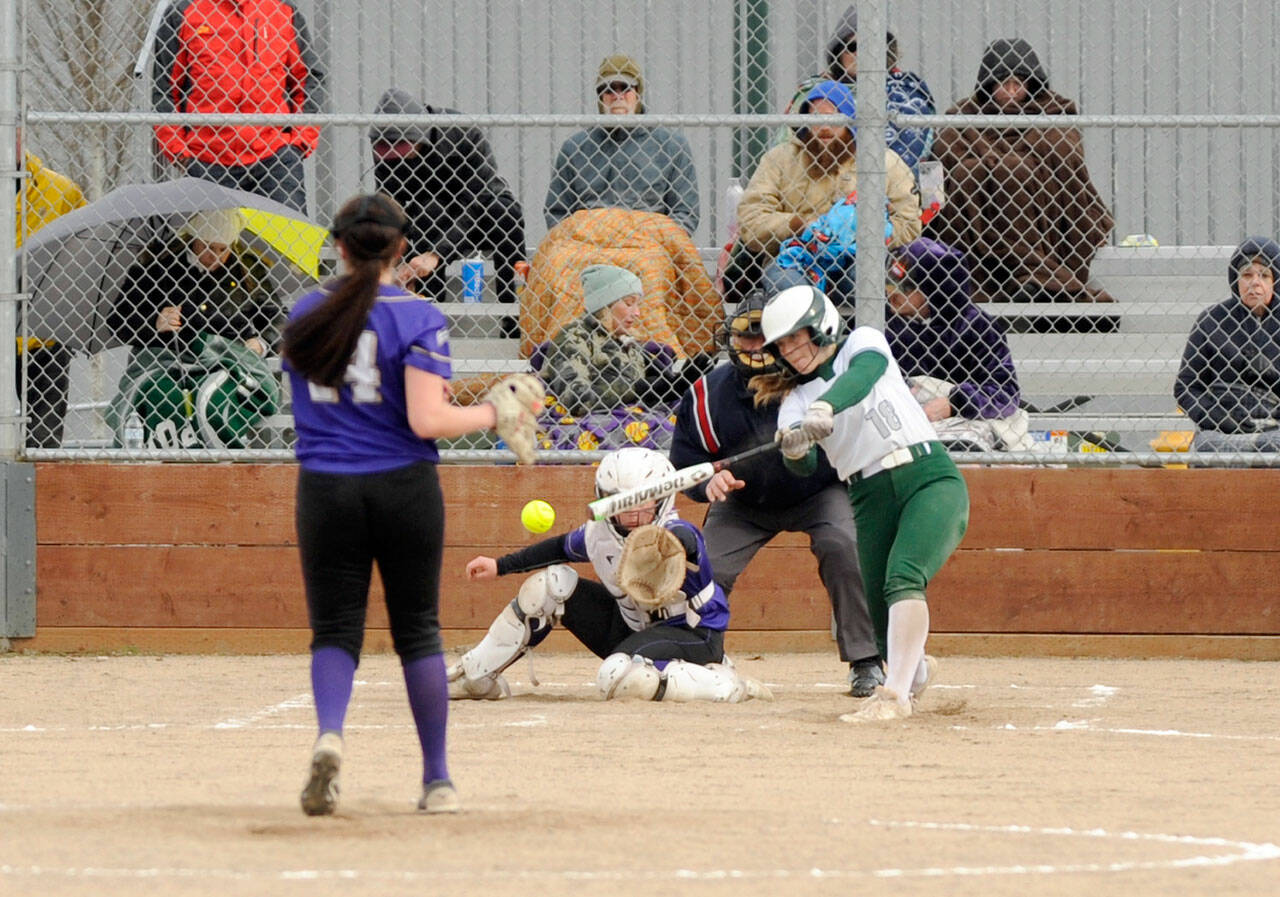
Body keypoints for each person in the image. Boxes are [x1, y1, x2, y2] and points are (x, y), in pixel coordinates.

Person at [280, 193, 544, 816]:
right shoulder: (417, 313)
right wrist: (495, 411)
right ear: (402, 249)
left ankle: (329, 738)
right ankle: (437, 780)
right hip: (402, 486)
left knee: (336, 630)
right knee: (418, 631)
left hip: (325, 485)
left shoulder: (305, 311)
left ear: (338, 247)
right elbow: (427, 419)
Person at [757, 283, 969, 722]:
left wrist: (826, 407)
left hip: (926, 476)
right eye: (782, 344)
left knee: (903, 577)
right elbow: (804, 465)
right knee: (876, 614)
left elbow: (866, 373)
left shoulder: (861, 341)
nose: (791, 350)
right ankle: (916, 669)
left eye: (797, 336)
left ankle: (895, 698)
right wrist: (796, 449)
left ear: (822, 326)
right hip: (868, 496)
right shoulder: (795, 401)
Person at [669, 291, 885, 697]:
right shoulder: (706, 394)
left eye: (761, 337)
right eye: (742, 337)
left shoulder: (814, 383)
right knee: (705, 567)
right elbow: (684, 459)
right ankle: (695, 656)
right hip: (743, 502)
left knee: (843, 545)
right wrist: (705, 484)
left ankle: (866, 660)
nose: (751, 346)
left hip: (820, 491)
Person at [447, 446, 771, 704]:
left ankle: (725, 684)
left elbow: (686, 544)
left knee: (617, 676)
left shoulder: (677, 534)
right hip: (631, 629)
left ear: (662, 500)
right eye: (623, 503)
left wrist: (669, 545)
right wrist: (499, 565)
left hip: (693, 635)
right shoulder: (597, 534)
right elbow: (557, 547)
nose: (633, 515)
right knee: (551, 584)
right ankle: (475, 676)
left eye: (644, 503)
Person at [929, 38, 1114, 304]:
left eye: (1019, 83)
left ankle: (1034, 275)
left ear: (1032, 84)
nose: (1012, 91)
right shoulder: (966, 114)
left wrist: (1005, 165)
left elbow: (1064, 152)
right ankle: (1022, 275)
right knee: (968, 174)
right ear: (989, 85)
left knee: (1013, 171)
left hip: (1038, 209)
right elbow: (945, 150)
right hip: (981, 210)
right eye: (1004, 84)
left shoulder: (1054, 111)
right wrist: (988, 164)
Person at [730, 79, 921, 307]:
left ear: (850, 121)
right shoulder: (779, 160)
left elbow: (910, 225)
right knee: (786, 285)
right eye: (816, 119)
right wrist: (799, 225)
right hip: (795, 258)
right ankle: (807, 338)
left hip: (860, 258)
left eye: (833, 118)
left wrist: (859, 231)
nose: (824, 128)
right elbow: (751, 221)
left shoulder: (884, 162)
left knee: (868, 280)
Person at [152, 0, 325, 213]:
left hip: (275, 157)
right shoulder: (184, 12)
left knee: (288, 242)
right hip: (207, 158)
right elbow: (164, 89)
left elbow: (309, 79)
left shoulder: (283, 10)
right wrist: (179, 152)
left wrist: (299, 143)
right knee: (212, 242)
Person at [369, 87, 527, 312]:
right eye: (390, 152)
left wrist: (436, 254)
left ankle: (514, 315)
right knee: (428, 212)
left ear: (420, 134)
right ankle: (430, 314)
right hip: (430, 219)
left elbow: (476, 201)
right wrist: (393, 263)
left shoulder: (460, 130)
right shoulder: (385, 145)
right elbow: (389, 206)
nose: (398, 158)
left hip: (480, 211)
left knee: (506, 213)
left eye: (403, 149)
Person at [885, 238, 1032, 452]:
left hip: (955, 428)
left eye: (905, 286)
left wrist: (955, 403)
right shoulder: (880, 321)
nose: (892, 292)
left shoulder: (977, 326)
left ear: (934, 289)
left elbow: (1005, 391)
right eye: (889, 281)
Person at [544, 54, 700, 237]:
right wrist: (579, 238)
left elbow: (685, 213)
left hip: (649, 244)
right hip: (589, 244)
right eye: (609, 89)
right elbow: (557, 212)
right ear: (600, 98)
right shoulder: (575, 148)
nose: (617, 97)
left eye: (625, 88)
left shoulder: (671, 145)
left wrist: (657, 238)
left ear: (638, 94)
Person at [107, 209, 284, 358]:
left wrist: (262, 343)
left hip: (234, 357)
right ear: (194, 240)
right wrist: (154, 322)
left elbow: (277, 316)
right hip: (173, 360)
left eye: (223, 249)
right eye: (207, 246)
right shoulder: (157, 269)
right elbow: (118, 320)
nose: (215, 256)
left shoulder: (247, 271)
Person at [780, 4, 936, 172]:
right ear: (838, 52)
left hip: (893, 183)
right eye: (852, 47)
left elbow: (918, 151)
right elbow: (784, 147)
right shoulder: (815, 90)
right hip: (820, 178)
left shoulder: (907, 90)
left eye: (870, 45)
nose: (861, 53)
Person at [1174, 236, 1280, 453]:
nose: (1254, 283)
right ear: (1236, 280)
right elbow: (1186, 386)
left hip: (1275, 424)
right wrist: (1216, 417)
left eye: (1264, 275)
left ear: (1275, 282)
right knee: (1210, 445)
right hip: (1222, 425)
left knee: (1271, 445)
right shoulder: (1212, 320)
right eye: (1246, 275)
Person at [15, 146, 87, 448]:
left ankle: (41, 488)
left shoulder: (59, 190)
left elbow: (90, 249)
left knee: (43, 443)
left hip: (43, 334)